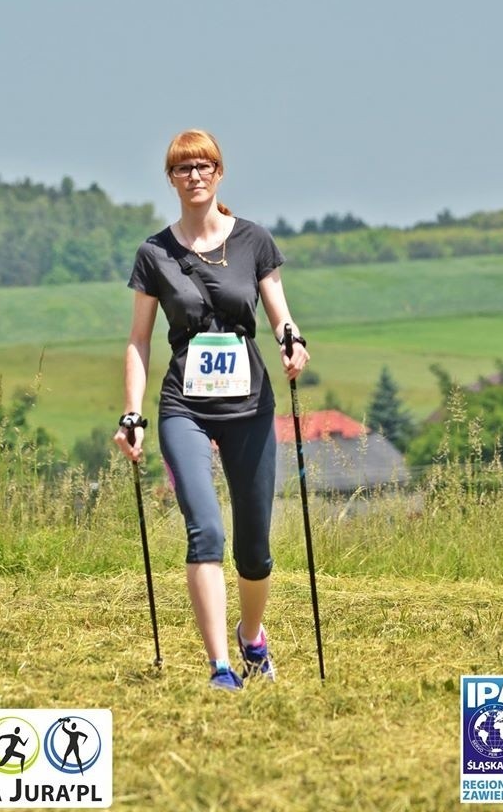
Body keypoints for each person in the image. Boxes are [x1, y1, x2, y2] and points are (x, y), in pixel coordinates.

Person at [114, 129, 309, 691]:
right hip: (184, 408)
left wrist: (292, 342)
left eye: (204, 166)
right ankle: (221, 668)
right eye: (183, 168)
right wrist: (133, 413)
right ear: (170, 179)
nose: (194, 175)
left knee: (255, 547)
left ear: (219, 173)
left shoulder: (253, 240)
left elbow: (279, 314)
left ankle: (253, 638)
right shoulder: (154, 253)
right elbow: (138, 340)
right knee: (205, 531)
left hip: (249, 404)